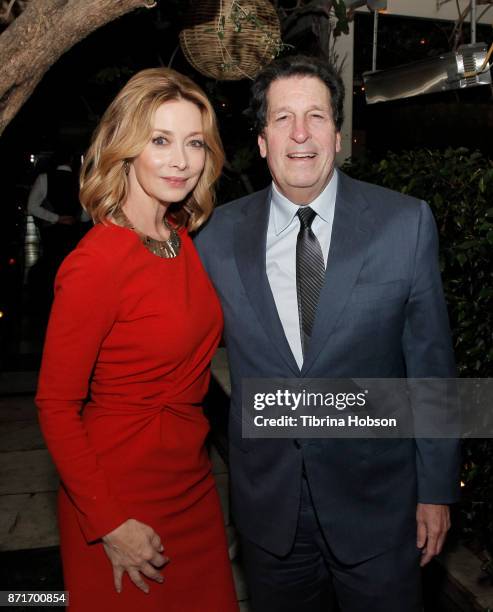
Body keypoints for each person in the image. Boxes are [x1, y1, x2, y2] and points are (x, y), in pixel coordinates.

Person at [195, 55, 460, 611]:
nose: (300, 134)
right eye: (282, 118)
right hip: (270, 516)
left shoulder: (404, 223)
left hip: (380, 511)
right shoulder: (216, 237)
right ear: (262, 140)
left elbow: (432, 369)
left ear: (338, 135)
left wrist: (436, 490)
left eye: (315, 116)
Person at [35, 68, 238, 612]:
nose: (181, 160)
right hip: (119, 498)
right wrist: (108, 522)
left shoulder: (180, 238)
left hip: (193, 487)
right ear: (126, 149)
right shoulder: (96, 264)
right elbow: (55, 405)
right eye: (160, 140)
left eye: (194, 142)